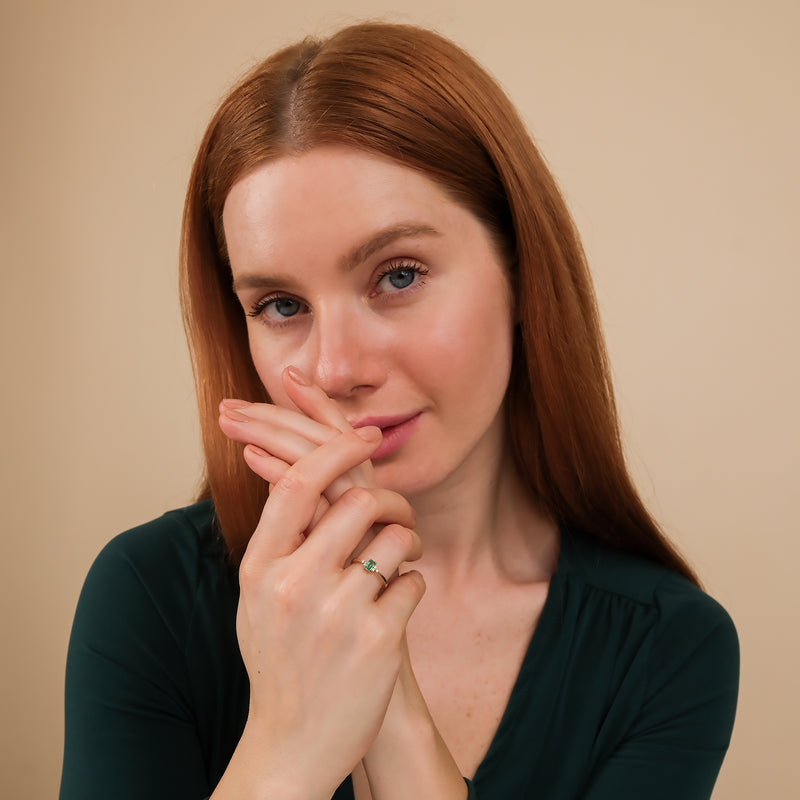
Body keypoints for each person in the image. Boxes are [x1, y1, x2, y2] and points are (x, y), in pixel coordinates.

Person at [59, 22, 739, 800]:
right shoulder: (147, 596)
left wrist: (389, 709)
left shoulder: (667, 647)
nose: (336, 368)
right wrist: (288, 746)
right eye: (281, 303)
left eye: (399, 275)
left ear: (521, 274)